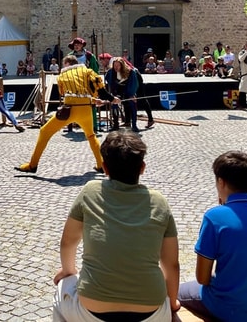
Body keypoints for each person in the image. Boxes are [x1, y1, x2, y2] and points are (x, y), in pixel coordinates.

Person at [53, 132, 179, 322]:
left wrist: (68, 271)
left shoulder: (90, 192)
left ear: (104, 168)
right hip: (151, 311)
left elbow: (68, 242)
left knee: (61, 292)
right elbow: (171, 264)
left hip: (91, 309)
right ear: (142, 168)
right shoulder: (159, 202)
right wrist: (172, 302)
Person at [178, 151, 247, 322]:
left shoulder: (214, 217)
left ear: (221, 182)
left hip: (233, 311)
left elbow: (203, 278)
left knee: (177, 292)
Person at [15, 55, 120, 174]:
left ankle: (32, 165)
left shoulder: (63, 75)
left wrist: (98, 99)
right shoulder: (88, 72)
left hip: (70, 110)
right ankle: (101, 165)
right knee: (91, 136)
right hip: (86, 111)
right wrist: (112, 99)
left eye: (64, 64)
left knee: (44, 131)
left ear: (68, 64)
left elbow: (67, 94)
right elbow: (99, 92)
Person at [104, 56, 139, 132]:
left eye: (118, 65)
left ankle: (134, 125)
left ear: (122, 65)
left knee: (132, 104)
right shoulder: (111, 72)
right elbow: (108, 80)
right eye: (114, 65)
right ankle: (115, 124)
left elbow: (134, 84)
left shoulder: (130, 72)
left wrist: (131, 95)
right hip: (117, 92)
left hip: (128, 91)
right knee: (114, 104)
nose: (116, 67)